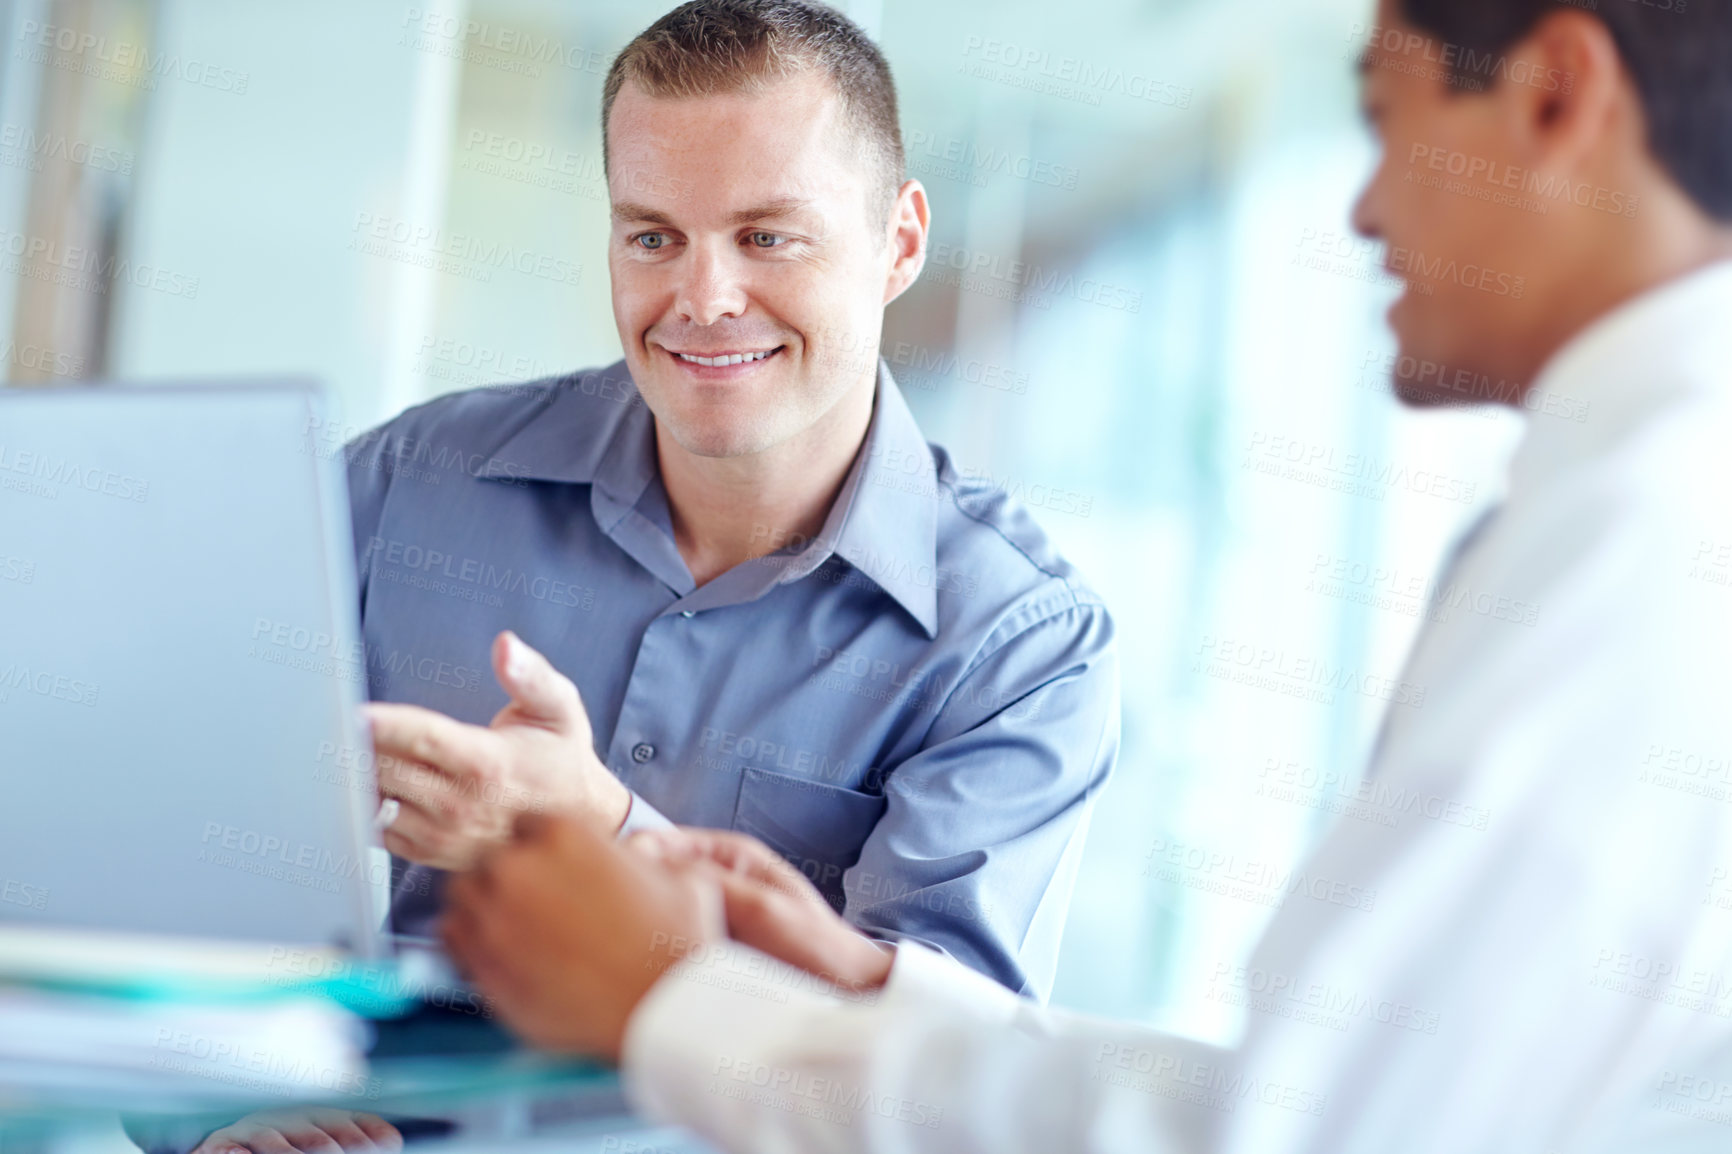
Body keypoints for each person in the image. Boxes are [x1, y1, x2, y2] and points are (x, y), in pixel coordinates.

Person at [440, 0, 1732, 1150]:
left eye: (1388, 124)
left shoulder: (1646, 539)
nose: (1365, 205)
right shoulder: (1637, 507)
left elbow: (1296, 1135)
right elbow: (1310, 1099)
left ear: (1558, 95)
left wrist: (678, 1000)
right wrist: (866, 980)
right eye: (653, 235)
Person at [345, 0, 1118, 998]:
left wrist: (605, 831)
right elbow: (165, 795)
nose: (703, 298)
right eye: (654, 238)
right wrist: (217, 1106)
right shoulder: (405, 488)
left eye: (765, 236)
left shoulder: (1015, 644)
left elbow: (919, 1077)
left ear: (900, 240)